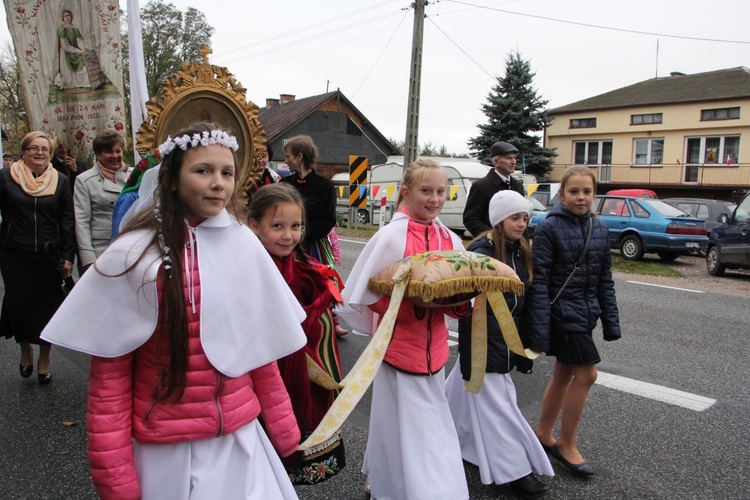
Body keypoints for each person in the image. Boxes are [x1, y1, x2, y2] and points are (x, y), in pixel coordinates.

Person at [41, 122, 308, 499]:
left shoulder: (242, 245)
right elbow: (110, 382)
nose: (219, 183)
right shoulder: (134, 255)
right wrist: (115, 479)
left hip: (237, 442)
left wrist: (284, 429)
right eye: (203, 171)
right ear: (171, 179)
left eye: (226, 172)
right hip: (167, 450)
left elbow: (256, 348)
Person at [338, 159, 471, 500]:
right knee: (399, 426)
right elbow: (369, 298)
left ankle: (394, 484)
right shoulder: (390, 236)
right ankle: (405, 488)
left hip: (435, 352)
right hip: (397, 351)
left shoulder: (451, 239)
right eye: (426, 191)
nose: (434, 199)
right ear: (407, 193)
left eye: (441, 191)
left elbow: (462, 298)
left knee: (420, 428)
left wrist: (453, 301)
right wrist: (413, 299)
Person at [445, 190, 554, 497]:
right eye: (515, 217)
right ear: (498, 220)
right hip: (482, 338)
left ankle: (448, 436)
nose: (522, 224)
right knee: (499, 405)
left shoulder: (520, 249)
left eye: (525, 218)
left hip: (506, 338)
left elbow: (525, 296)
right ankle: (513, 470)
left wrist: (531, 337)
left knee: (463, 390)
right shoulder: (482, 250)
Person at [527, 165, 621, 477]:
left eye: (587, 192)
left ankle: (542, 433)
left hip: (586, 314)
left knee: (564, 372)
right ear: (562, 194)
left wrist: (610, 321)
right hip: (562, 315)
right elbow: (539, 282)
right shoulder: (549, 228)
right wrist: (540, 327)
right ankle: (566, 443)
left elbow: (604, 279)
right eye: (574, 191)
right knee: (587, 374)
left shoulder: (600, 228)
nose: (581, 198)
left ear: (594, 194)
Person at [248, 182, 346, 484]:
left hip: (300, 378)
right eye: (277, 226)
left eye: (296, 226)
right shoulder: (248, 271)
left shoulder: (308, 271)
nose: (289, 235)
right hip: (259, 381)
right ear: (253, 225)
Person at [0, 132, 75, 385]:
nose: (40, 153)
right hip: (14, 255)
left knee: (48, 308)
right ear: (24, 152)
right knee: (18, 306)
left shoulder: (60, 181)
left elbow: (67, 221)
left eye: (45, 148)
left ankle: (45, 357)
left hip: (48, 256)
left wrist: (67, 255)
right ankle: (24, 350)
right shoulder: (5, 178)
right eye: (34, 148)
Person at [280, 135, 348, 336]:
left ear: (300, 156)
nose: (286, 161)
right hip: (287, 243)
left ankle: (329, 321)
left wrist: (302, 235)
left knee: (321, 282)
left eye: (288, 156)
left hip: (314, 245)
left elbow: (328, 219)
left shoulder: (324, 185)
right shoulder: (284, 184)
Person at [73, 130, 129, 272]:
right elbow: (82, 222)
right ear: (98, 155)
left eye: (118, 151)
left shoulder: (134, 175)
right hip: (102, 250)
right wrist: (88, 259)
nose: (115, 156)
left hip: (131, 247)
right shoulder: (84, 180)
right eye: (109, 152)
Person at [463, 141, 525, 237]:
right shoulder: (481, 186)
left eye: (514, 158)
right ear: (496, 162)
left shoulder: (517, 186)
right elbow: (470, 218)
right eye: (509, 158)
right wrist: (492, 237)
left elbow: (522, 215)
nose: (513, 162)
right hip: (490, 248)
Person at [56, 9, 90, 89]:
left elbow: (80, 41)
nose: (67, 17)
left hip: (77, 53)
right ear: (62, 18)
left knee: (83, 69)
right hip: (67, 54)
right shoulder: (62, 29)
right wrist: (78, 51)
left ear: (71, 16)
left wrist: (83, 48)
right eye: (65, 16)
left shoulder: (75, 28)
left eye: (68, 15)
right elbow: (65, 46)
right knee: (68, 75)